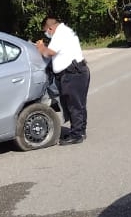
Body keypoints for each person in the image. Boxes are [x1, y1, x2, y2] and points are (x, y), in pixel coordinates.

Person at [35, 15, 90, 144]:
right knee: (78, 104)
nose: (46, 34)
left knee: (74, 105)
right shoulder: (64, 31)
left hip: (73, 73)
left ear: (50, 28)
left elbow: (49, 53)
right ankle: (80, 131)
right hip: (75, 72)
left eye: (46, 31)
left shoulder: (60, 34)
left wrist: (40, 47)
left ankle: (76, 135)